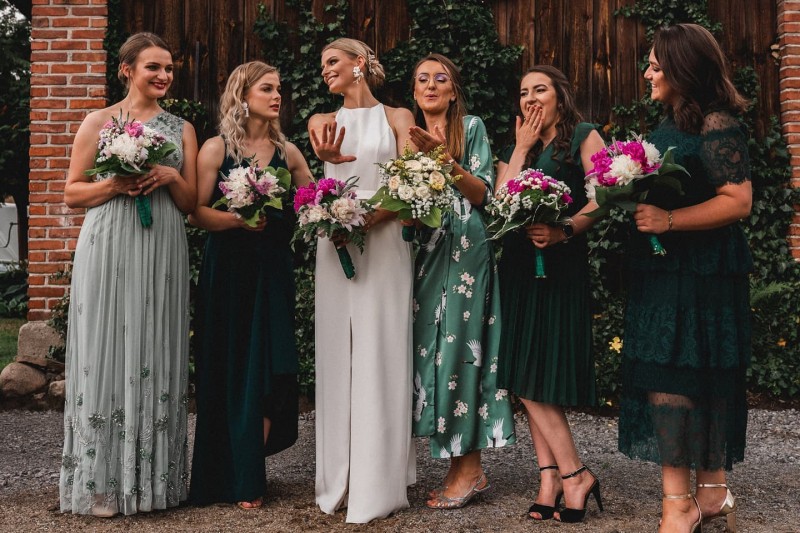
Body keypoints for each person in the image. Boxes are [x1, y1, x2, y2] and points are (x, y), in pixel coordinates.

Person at [618, 23, 751, 533]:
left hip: (703, 271)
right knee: (679, 376)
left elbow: (738, 200)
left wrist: (668, 220)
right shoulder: (670, 122)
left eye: (655, 65)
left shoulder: (717, 123)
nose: (647, 73)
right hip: (664, 269)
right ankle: (710, 495)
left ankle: (681, 505)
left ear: (682, 68)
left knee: (679, 378)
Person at [60, 32, 197, 516]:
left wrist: (172, 176)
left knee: (155, 343)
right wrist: (116, 184)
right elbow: (72, 193)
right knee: (105, 345)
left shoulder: (181, 128)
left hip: (162, 243)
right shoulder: (98, 121)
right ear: (127, 69)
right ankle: (100, 483)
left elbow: (191, 203)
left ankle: (152, 481)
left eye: (168, 68)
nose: (163, 75)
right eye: (153, 67)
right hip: (109, 240)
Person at [188, 61, 312, 509]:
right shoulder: (216, 149)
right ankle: (239, 477)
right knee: (231, 366)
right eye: (267, 89)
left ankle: (248, 468)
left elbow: (312, 202)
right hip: (228, 273)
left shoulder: (288, 152)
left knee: (273, 368)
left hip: (272, 271)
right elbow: (196, 212)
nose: (277, 97)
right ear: (243, 96)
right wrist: (239, 220)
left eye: (279, 89)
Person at [308, 38, 417, 524]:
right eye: (322, 65)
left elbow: (411, 179)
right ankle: (341, 478)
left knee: (381, 346)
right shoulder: (321, 120)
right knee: (338, 350)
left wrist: (376, 214)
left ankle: (380, 480)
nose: (325, 70)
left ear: (359, 63)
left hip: (386, 238)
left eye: (333, 61)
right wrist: (330, 184)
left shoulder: (397, 116)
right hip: (336, 240)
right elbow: (322, 174)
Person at [404, 54, 516, 509]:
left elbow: (483, 193)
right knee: (431, 354)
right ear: (414, 91)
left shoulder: (470, 128)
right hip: (426, 254)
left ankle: (470, 468)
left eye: (441, 79)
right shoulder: (407, 136)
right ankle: (459, 464)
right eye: (422, 79)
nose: (431, 85)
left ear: (453, 91)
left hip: (465, 250)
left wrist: (445, 160)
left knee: (460, 353)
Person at [495, 65, 605, 523]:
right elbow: (499, 204)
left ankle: (574, 474)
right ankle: (552, 478)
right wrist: (521, 149)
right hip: (518, 268)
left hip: (560, 265)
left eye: (540, 89)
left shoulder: (583, 135)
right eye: (523, 92)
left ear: (561, 95)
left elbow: (604, 197)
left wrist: (566, 229)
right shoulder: (516, 146)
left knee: (538, 376)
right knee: (524, 376)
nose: (530, 98)